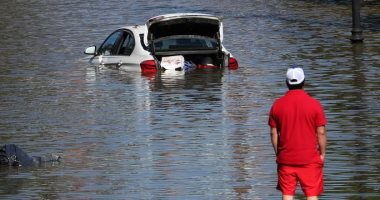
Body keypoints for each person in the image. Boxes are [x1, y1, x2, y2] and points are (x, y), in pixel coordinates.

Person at [268, 67, 327, 200]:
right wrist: (322, 154)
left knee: (287, 194)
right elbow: (321, 132)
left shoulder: (277, 105)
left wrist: (279, 154)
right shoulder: (314, 104)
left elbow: (273, 133)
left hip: (286, 159)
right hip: (310, 159)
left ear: (287, 83)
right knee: (311, 195)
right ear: (304, 82)